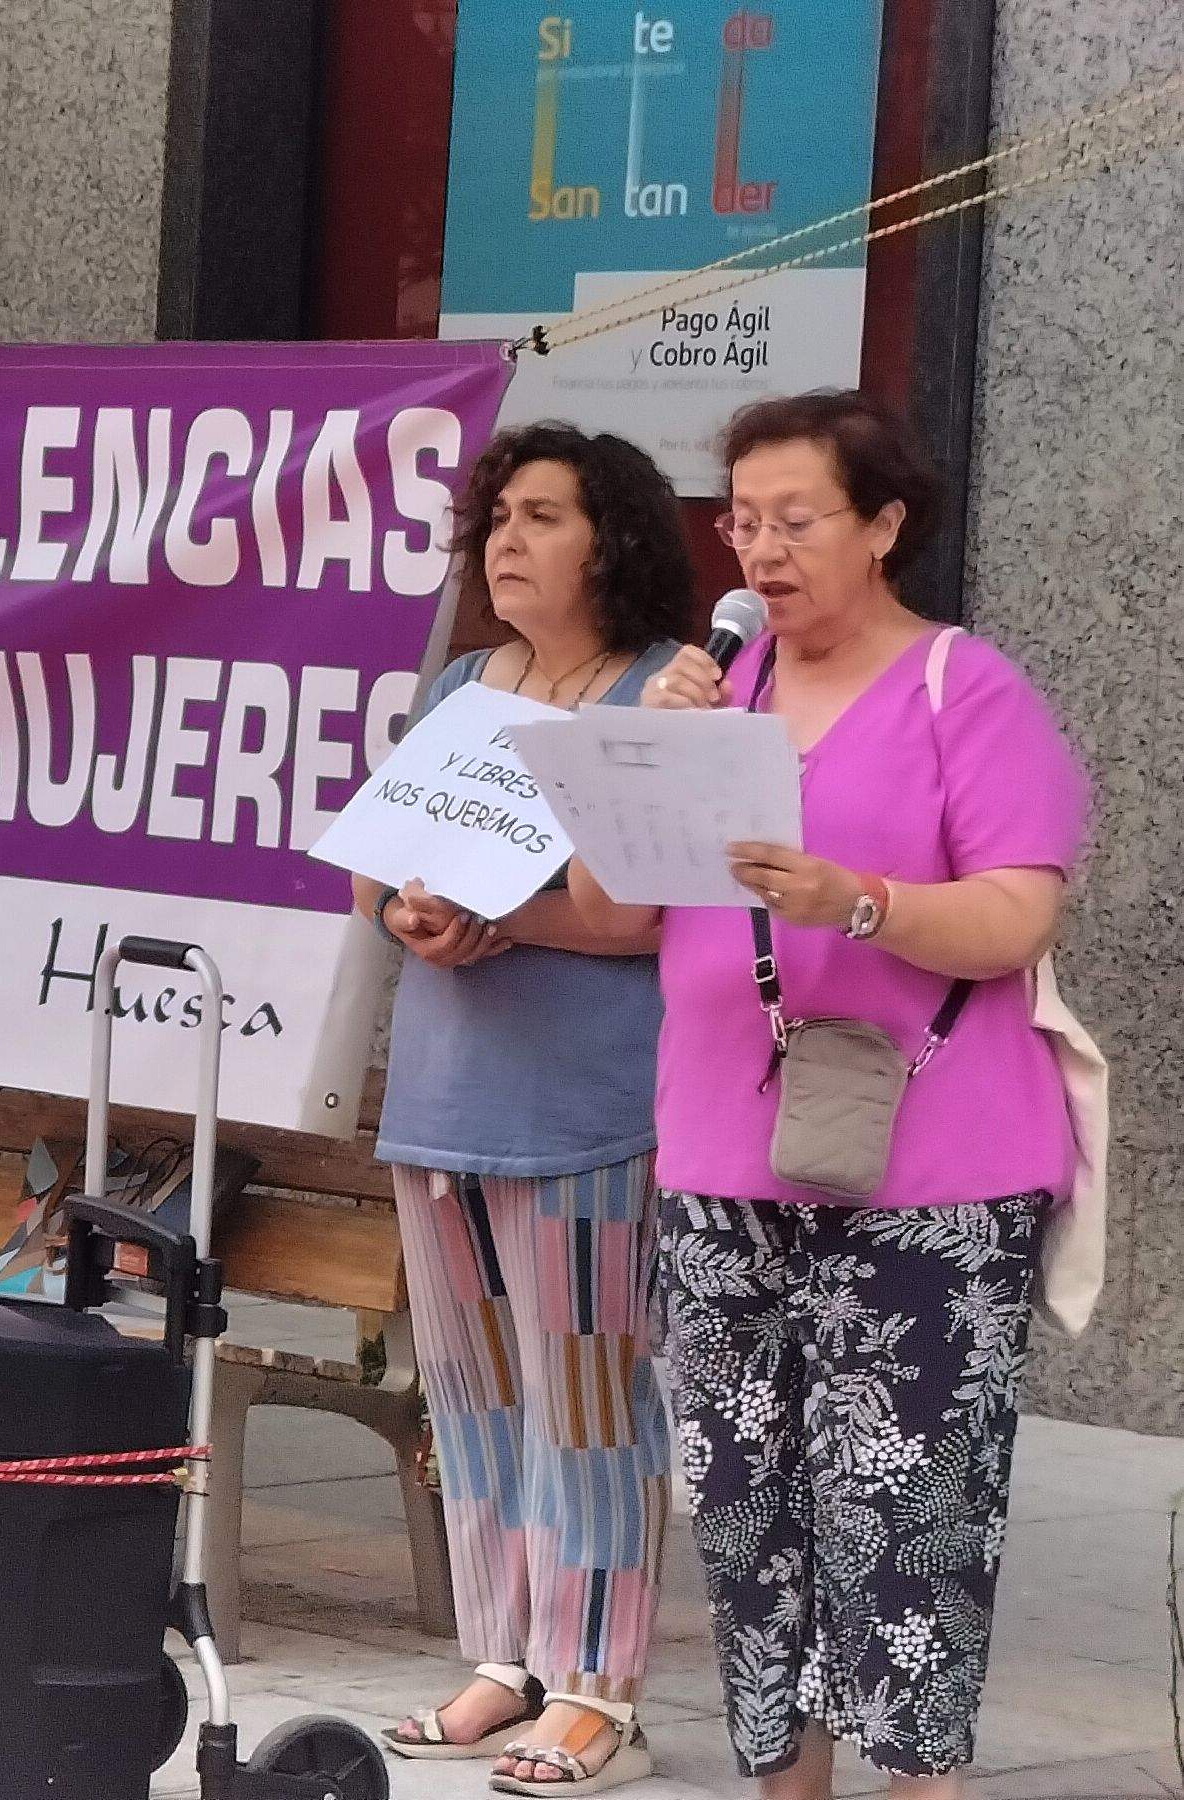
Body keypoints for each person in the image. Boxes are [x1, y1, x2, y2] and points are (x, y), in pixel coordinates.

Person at [584, 391, 1087, 1799]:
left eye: (795, 519)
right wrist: (645, 750)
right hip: (719, 1158)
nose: (760, 552)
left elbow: (1009, 918)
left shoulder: (960, 689)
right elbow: (618, 908)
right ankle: (782, 1784)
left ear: (881, 524)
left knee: (902, 1513)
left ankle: (915, 1784)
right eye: (740, 521)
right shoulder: (714, 688)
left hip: (929, 1173)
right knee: (744, 1509)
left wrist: (854, 903)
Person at [359, 425, 698, 1794]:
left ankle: (596, 1687)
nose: (504, 540)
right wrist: (411, 909)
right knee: (470, 1396)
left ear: (609, 540)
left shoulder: (654, 694)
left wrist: (499, 908)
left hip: (587, 1106)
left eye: (541, 515)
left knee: (590, 1399)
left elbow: (635, 917)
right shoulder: (456, 686)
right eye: (495, 516)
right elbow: (385, 878)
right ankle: (503, 1655)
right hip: (442, 1098)